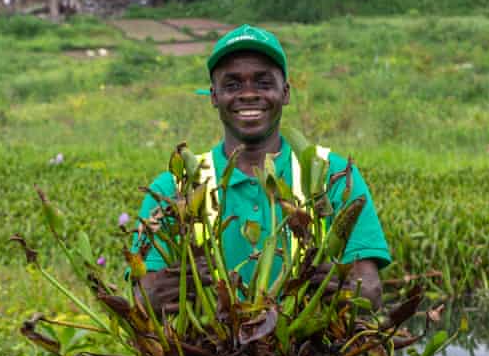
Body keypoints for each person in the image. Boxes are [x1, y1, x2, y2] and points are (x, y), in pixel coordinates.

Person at [135, 23, 391, 319]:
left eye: (263, 83)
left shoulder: (334, 174)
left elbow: (370, 292)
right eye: (232, 85)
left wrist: (348, 287)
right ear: (213, 96)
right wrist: (153, 294)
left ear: (285, 93)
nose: (248, 95)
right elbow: (142, 296)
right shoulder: (174, 187)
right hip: (209, 355)